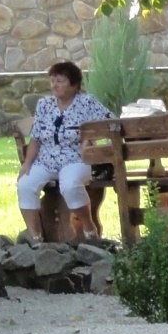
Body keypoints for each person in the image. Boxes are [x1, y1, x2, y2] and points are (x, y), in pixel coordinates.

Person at [17, 61, 113, 243]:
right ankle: (36, 238)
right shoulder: (44, 104)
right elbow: (36, 138)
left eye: (60, 81)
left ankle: (88, 227)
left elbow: (111, 125)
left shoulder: (87, 102)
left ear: (74, 84)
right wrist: (27, 164)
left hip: (76, 159)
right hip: (45, 160)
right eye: (52, 81)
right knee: (25, 185)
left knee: (69, 184)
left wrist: (93, 146)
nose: (54, 85)